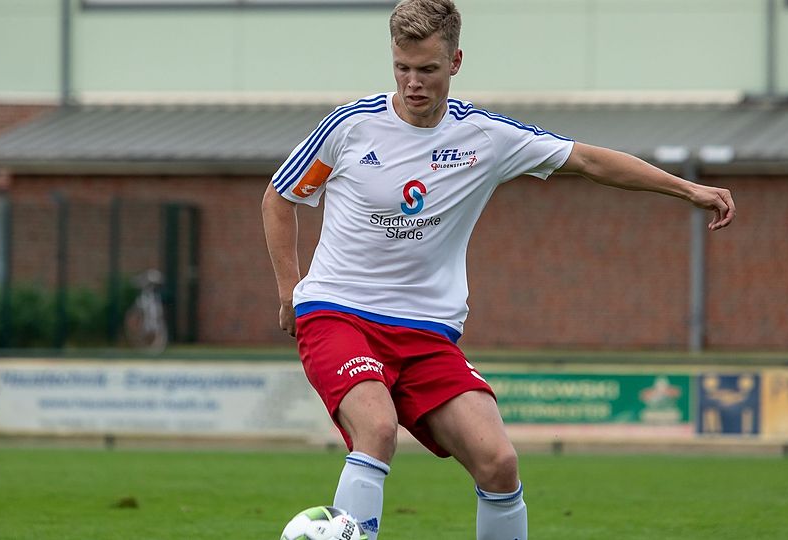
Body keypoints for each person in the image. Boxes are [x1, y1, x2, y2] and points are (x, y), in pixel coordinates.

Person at [261, 1, 736, 538]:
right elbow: (280, 197)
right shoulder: (351, 127)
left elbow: (588, 160)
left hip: (426, 333)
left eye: (427, 69)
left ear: (455, 62)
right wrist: (288, 290)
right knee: (377, 428)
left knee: (499, 462)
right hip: (339, 314)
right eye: (402, 68)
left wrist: (687, 189)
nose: (413, 83)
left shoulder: (485, 138)